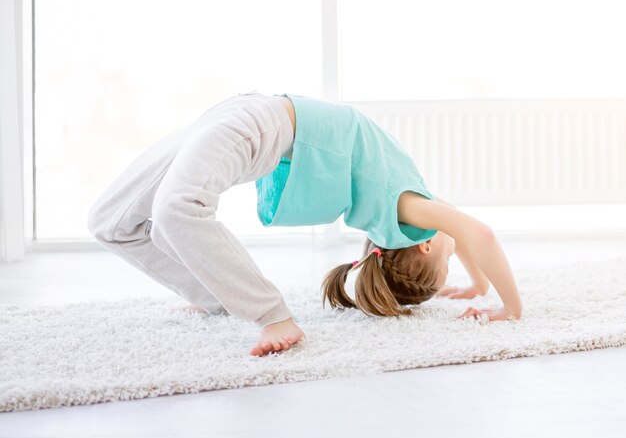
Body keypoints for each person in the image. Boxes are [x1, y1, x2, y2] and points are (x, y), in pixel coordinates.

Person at [87, 91, 523, 358]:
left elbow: (470, 232)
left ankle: (266, 314)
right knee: (112, 220)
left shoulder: (407, 210)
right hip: (248, 114)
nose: (458, 254)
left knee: (167, 213)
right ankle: (233, 301)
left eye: (452, 262)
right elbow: (469, 231)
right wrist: (488, 292)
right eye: (455, 262)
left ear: (425, 244)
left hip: (255, 122)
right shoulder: (410, 209)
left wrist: (499, 298)